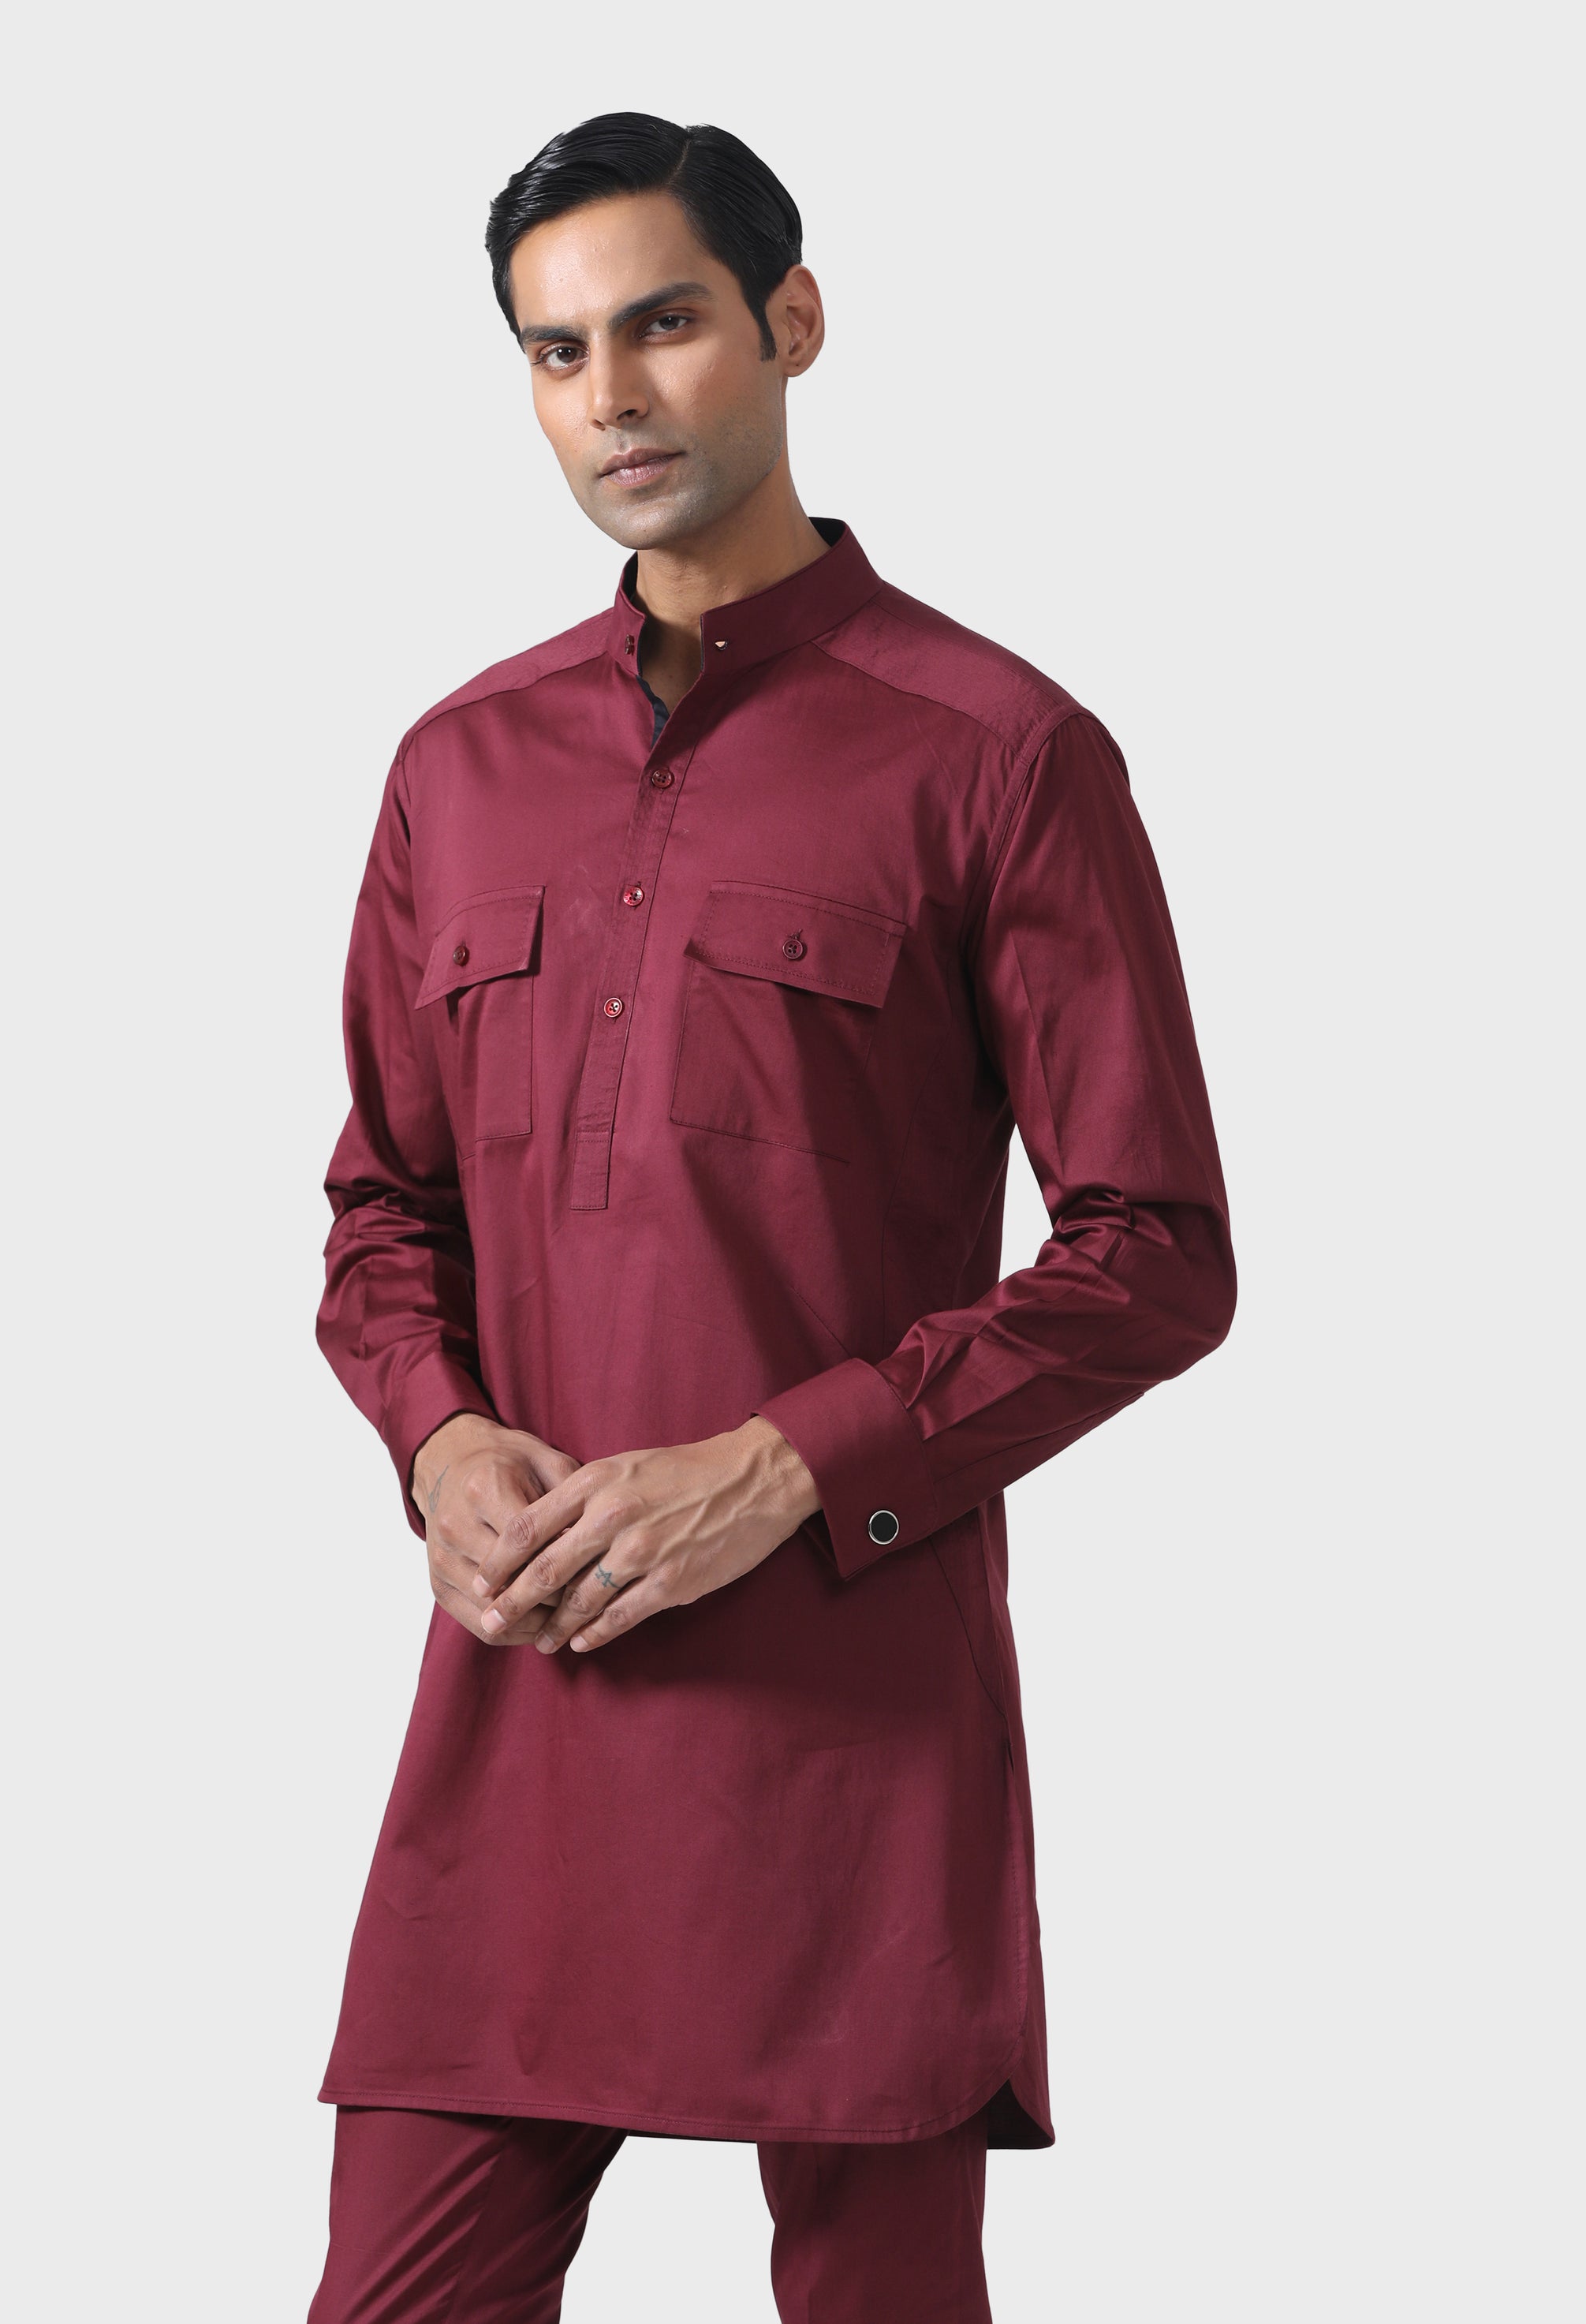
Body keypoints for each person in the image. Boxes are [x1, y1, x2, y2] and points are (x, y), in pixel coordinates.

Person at [305, 110, 1235, 2324]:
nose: (611, 398)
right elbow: (380, 1208)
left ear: (789, 322)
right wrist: (438, 1437)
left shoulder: (998, 752)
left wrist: (787, 1463)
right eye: (555, 354)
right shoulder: (457, 767)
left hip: (848, 1724)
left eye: (663, 326)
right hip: (520, 1717)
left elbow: (1153, 1248)